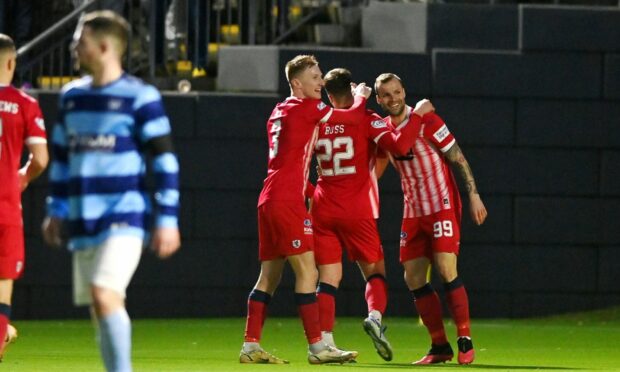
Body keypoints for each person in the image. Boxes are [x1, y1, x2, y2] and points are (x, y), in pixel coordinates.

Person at [41, 11, 180, 372]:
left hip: (124, 215)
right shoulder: (71, 96)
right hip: (82, 218)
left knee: (104, 294)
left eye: (80, 41)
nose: (73, 47)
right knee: (100, 306)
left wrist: (167, 219)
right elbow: (59, 160)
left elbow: (165, 160)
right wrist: (55, 208)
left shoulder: (141, 97)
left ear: (103, 47)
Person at [240, 55, 371, 365]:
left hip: (269, 198)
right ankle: (317, 347)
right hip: (286, 201)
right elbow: (350, 120)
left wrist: (306, 189)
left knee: (269, 277)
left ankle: (250, 345)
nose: (321, 81)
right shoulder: (309, 108)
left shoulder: (278, 110)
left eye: (321, 75)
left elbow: (288, 158)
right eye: (314, 76)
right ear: (296, 83)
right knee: (308, 272)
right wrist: (361, 98)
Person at [309, 67, 434, 362]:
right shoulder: (367, 119)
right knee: (376, 272)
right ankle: (375, 318)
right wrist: (417, 115)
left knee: (327, 278)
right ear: (352, 89)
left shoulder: (317, 120)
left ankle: (323, 343)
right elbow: (401, 146)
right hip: (357, 209)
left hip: (322, 206)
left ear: (328, 93)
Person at [374, 73, 487, 365]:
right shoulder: (384, 131)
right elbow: (380, 164)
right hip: (413, 211)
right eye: (385, 95)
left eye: (396, 91)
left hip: (442, 205)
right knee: (412, 278)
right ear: (379, 100)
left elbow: (457, 157)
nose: (393, 98)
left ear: (404, 91)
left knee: (446, 268)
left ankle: (464, 338)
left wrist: (473, 194)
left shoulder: (429, 121)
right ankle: (439, 346)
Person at [0, 33, 48, 361]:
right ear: (11, 62)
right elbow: (41, 158)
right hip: (5, 208)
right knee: (3, 284)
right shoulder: (25, 103)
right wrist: (24, 176)